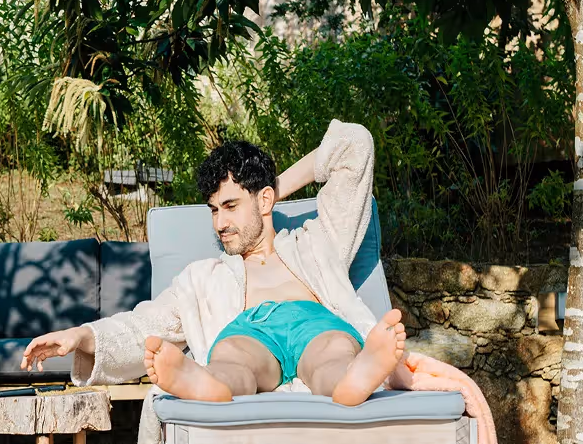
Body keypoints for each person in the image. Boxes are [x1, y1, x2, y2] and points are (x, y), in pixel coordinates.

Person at [21, 120, 409, 405]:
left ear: (264, 200)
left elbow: (353, 144)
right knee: (232, 362)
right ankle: (204, 382)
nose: (220, 223)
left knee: (331, 355)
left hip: (316, 324)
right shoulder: (204, 278)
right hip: (248, 333)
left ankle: (352, 379)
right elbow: (146, 323)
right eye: (213, 210)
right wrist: (84, 336)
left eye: (231, 206)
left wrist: (272, 188)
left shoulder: (318, 244)